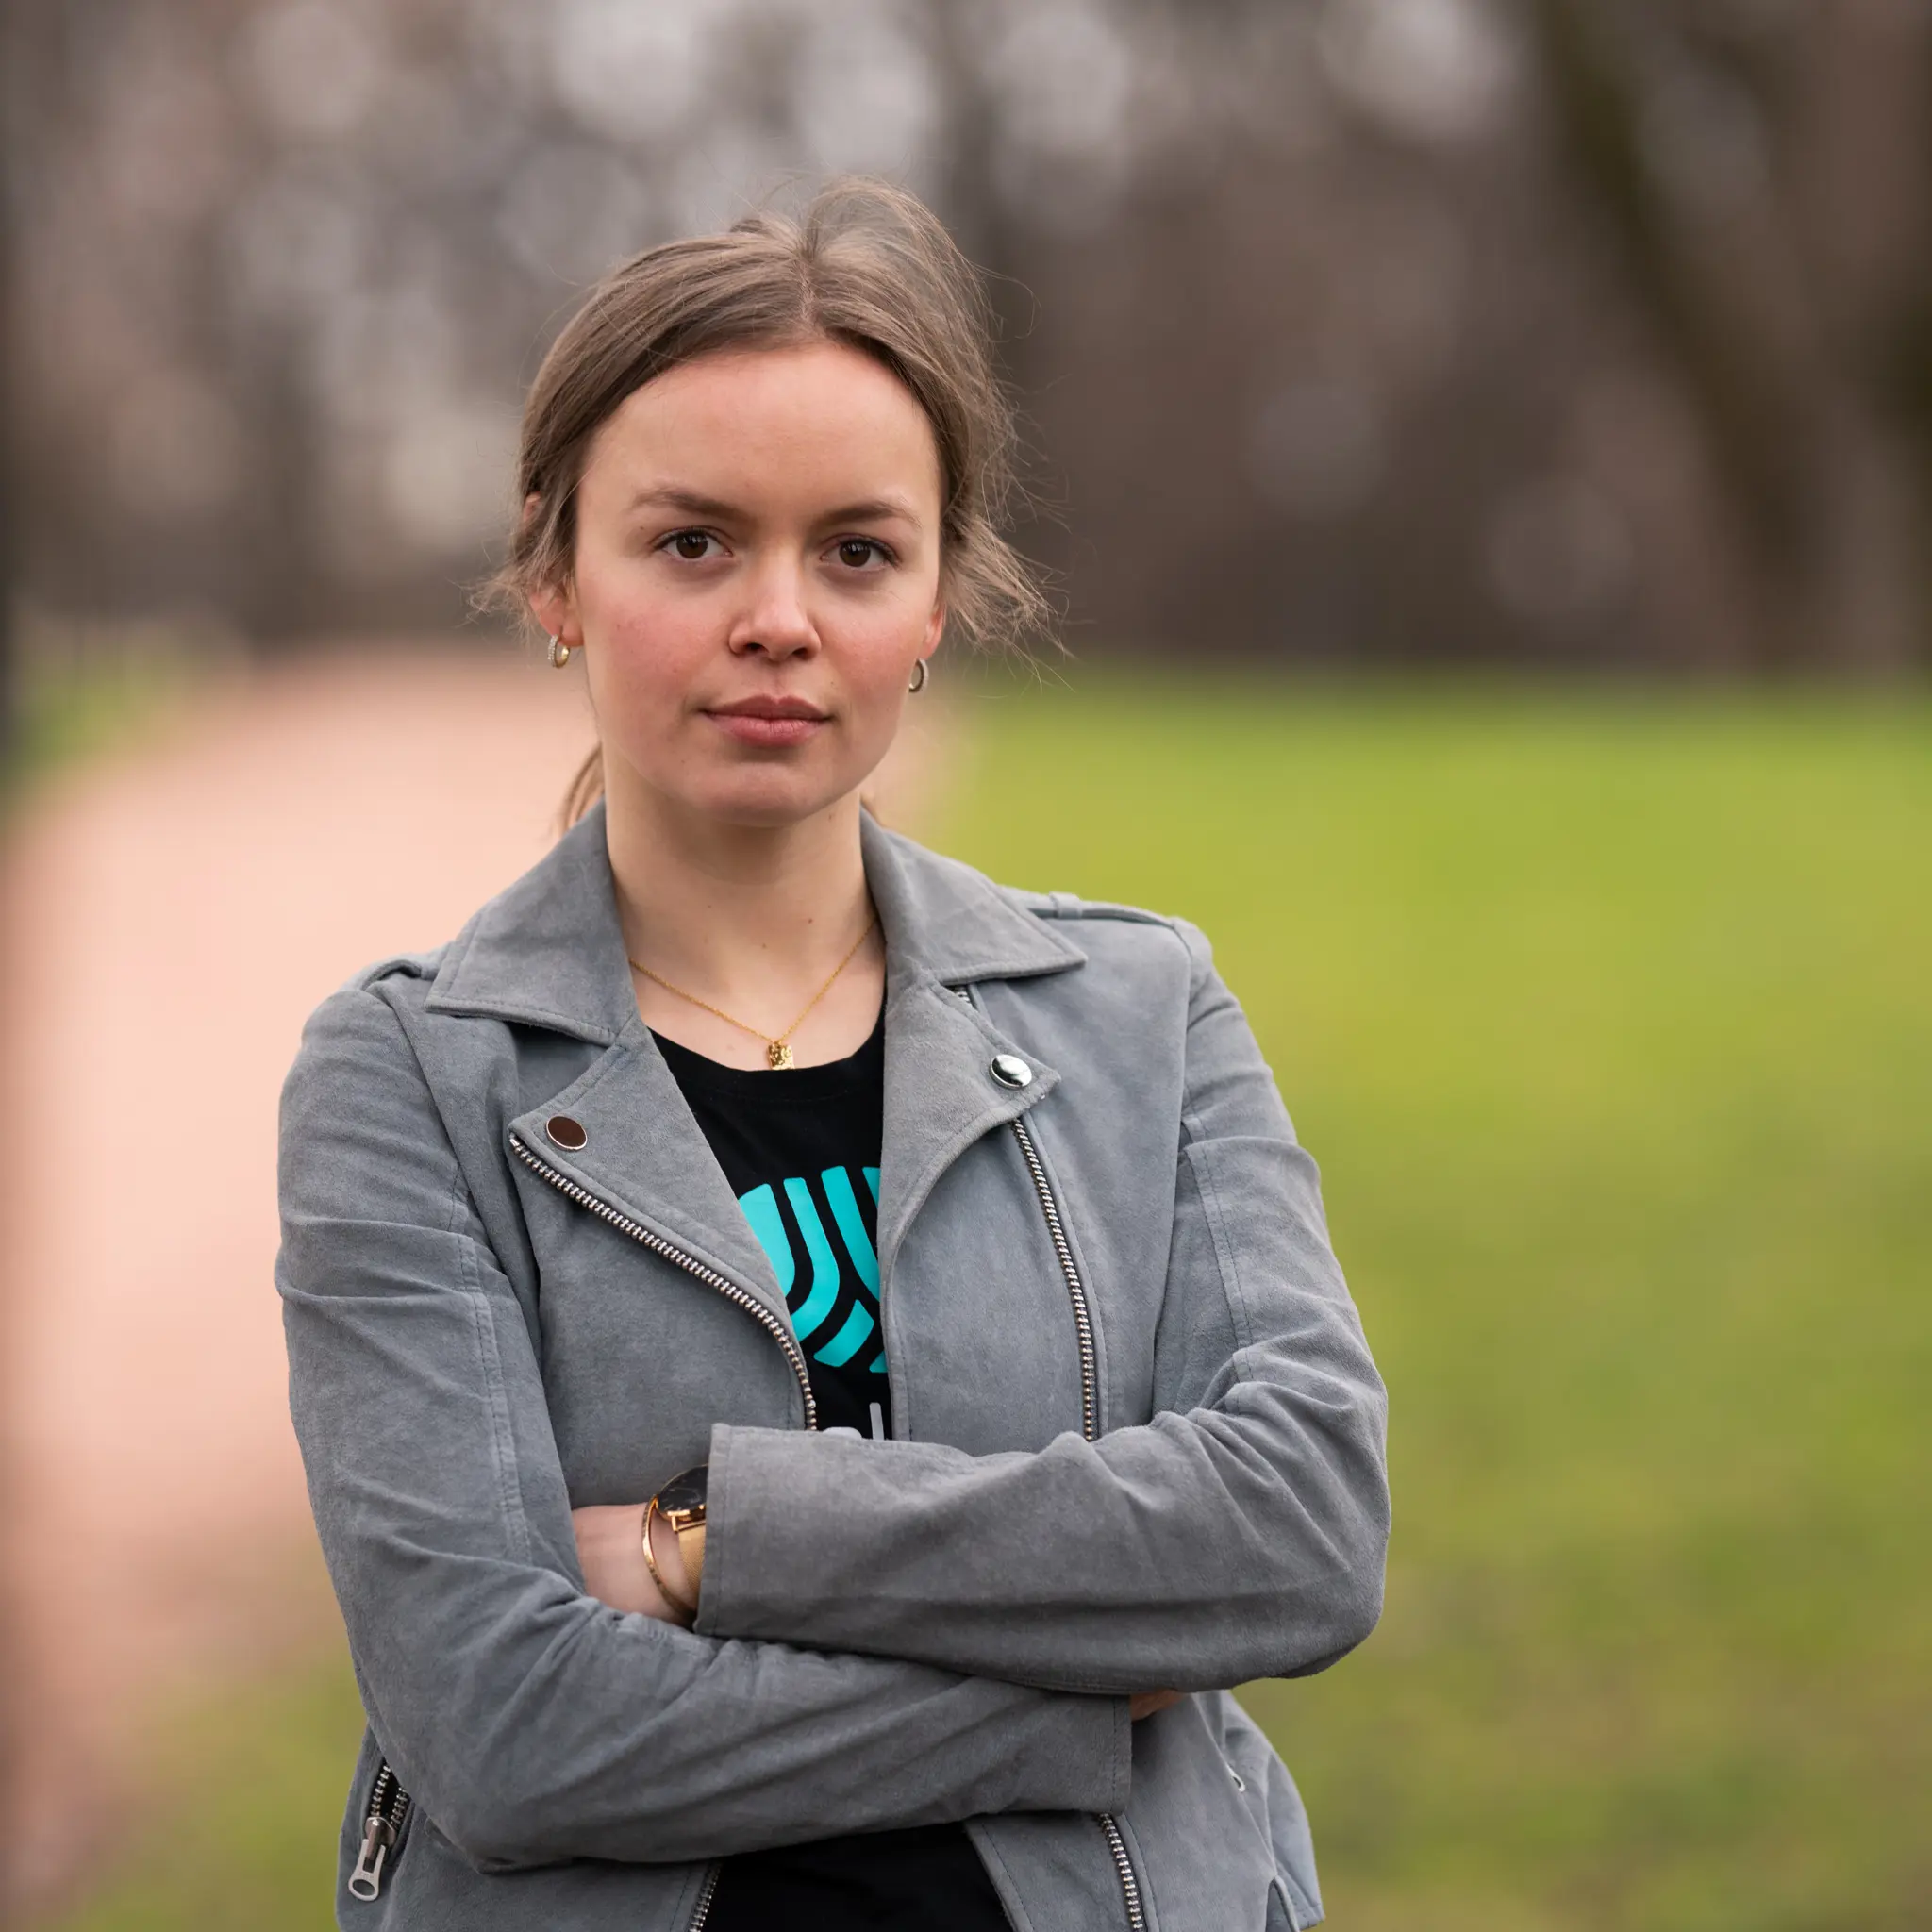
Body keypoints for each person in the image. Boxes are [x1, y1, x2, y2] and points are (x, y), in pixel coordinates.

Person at [277, 178, 1389, 1932]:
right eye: (694, 544)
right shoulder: (410, 1078)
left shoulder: (1140, 1011)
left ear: (938, 601)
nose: (779, 618)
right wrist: (1078, 1700)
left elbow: (1305, 1528)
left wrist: (711, 1541)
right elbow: (502, 1728)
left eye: (857, 552)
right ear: (556, 574)